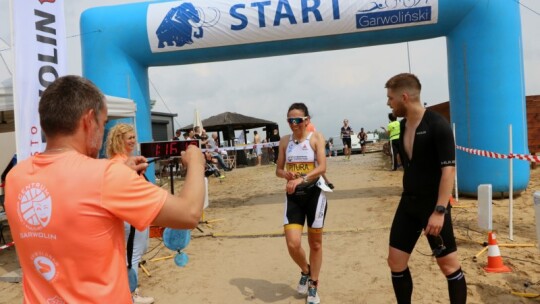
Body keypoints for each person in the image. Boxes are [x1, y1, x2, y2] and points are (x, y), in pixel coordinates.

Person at [4, 75, 206, 303]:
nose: (101, 134)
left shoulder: (15, 177)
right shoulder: (106, 176)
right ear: (89, 121)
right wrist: (197, 164)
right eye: (103, 123)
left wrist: (122, 173)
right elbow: (188, 213)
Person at [384, 73, 466, 304]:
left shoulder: (437, 124)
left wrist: (440, 210)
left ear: (405, 97)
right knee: (395, 262)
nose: (388, 103)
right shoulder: (400, 126)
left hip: (433, 206)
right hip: (408, 204)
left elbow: (448, 171)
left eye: (391, 98)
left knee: (448, 265)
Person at [275, 102, 327, 304]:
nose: (294, 124)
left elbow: (322, 167)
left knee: (315, 244)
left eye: (297, 120)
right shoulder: (284, 141)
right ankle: (306, 271)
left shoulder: (316, 138)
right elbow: (278, 170)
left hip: (315, 195)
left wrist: (301, 179)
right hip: (293, 197)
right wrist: (286, 174)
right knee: (293, 243)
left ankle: (313, 285)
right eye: (290, 120)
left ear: (306, 120)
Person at [105, 123, 154, 304]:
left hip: (133, 216)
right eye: (129, 138)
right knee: (131, 256)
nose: (133, 141)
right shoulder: (120, 163)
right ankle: (131, 295)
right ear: (120, 140)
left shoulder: (122, 161)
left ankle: (128, 293)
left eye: (134, 137)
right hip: (131, 217)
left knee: (131, 255)